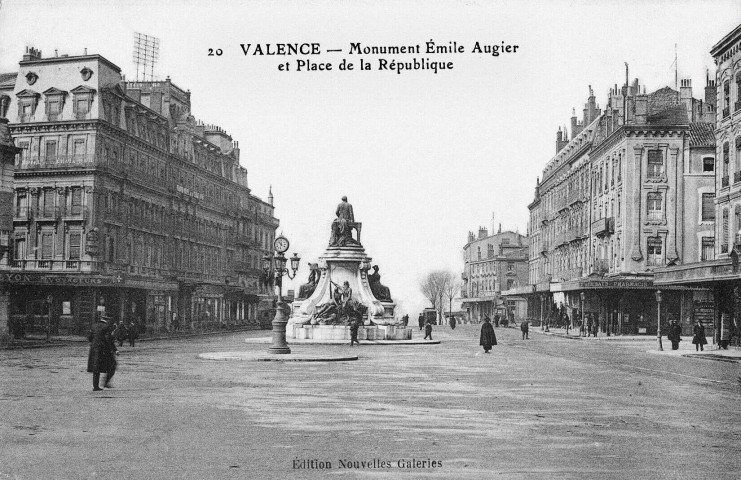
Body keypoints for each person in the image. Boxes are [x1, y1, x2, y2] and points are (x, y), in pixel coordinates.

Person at [87, 313, 118, 391]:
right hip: (103, 349)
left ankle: (95, 386)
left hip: (93, 349)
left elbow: (89, 338)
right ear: (107, 320)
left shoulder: (93, 326)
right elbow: (108, 339)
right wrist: (114, 349)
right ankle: (105, 383)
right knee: (112, 365)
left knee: (95, 366)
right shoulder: (106, 327)